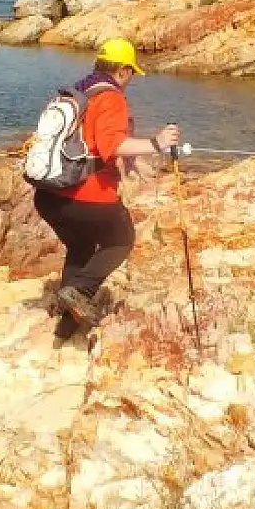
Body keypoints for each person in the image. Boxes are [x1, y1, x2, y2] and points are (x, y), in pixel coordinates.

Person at [31, 38, 180, 341]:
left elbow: (91, 143)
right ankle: (77, 291)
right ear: (123, 70)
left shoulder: (81, 90)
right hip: (85, 196)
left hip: (49, 194)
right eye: (132, 73)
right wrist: (157, 143)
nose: (132, 80)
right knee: (121, 239)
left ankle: (66, 326)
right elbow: (111, 146)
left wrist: (135, 162)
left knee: (81, 247)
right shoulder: (111, 98)